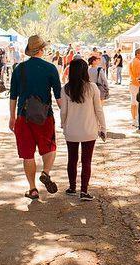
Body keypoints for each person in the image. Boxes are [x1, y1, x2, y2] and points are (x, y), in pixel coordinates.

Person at [9, 35, 62, 200]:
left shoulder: (19, 68)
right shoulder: (50, 68)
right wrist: (66, 115)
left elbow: (13, 96)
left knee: (28, 154)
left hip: (23, 117)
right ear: (41, 50)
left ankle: (32, 189)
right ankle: (45, 172)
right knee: (50, 148)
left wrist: (12, 118)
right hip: (45, 116)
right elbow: (59, 96)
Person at [59, 59, 107, 201]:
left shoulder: (66, 89)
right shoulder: (92, 87)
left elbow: (63, 112)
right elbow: (99, 110)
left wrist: (63, 124)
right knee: (87, 161)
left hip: (71, 130)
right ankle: (84, 191)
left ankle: (72, 187)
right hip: (89, 130)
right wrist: (103, 127)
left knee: (72, 159)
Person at [129, 48, 140, 127]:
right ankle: (137, 120)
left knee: (133, 103)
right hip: (137, 85)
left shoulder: (132, 61)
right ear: (137, 54)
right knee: (138, 103)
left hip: (132, 84)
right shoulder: (138, 63)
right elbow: (139, 76)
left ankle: (134, 120)